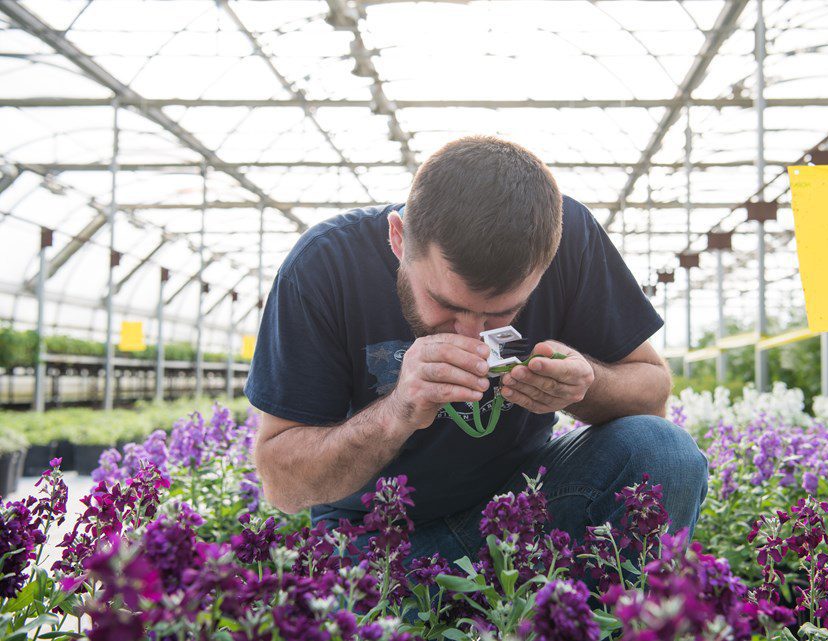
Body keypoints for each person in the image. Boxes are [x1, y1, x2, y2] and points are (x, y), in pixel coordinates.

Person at [245, 135, 708, 562]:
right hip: (373, 538)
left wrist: (586, 385)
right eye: (445, 305)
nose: (471, 337)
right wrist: (396, 412)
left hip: (522, 512)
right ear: (398, 238)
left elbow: (653, 392)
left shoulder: (572, 235)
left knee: (664, 450)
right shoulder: (324, 264)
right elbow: (281, 483)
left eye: (501, 314)